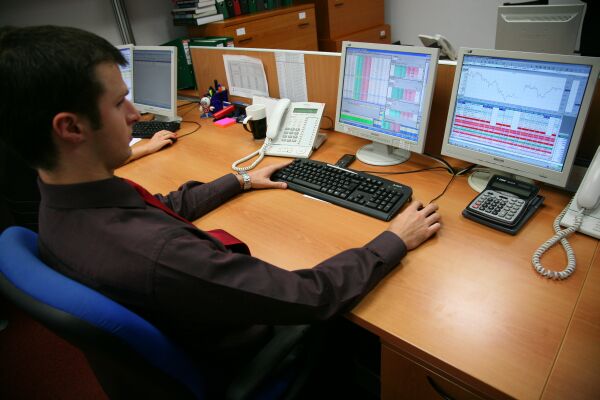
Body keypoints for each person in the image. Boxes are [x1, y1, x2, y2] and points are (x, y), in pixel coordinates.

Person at [0, 25, 441, 395]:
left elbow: (161, 207)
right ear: (71, 127)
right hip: (243, 352)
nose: (135, 114)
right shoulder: (158, 254)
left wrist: (240, 179)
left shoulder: (59, 200)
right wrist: (393, 241)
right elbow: (310, 296)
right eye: (119, 103)